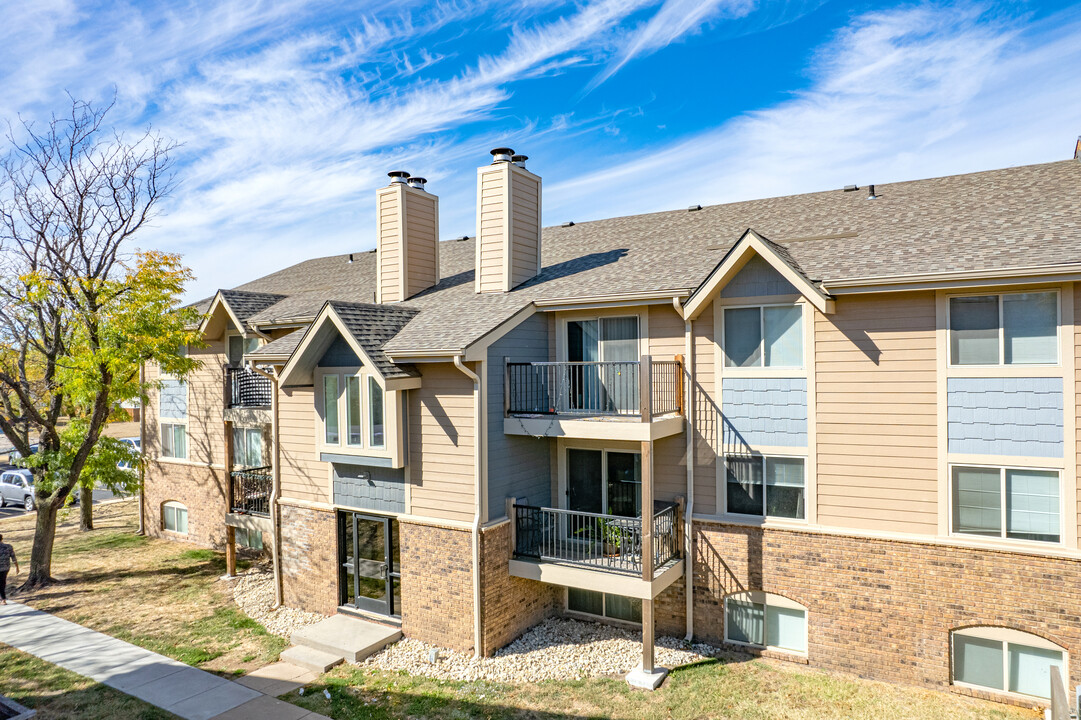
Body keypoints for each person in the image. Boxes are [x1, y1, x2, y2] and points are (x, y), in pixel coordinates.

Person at [0, 533, 18, 605]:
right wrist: (17, 567)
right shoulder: (8, 547)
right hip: (6, 568)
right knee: (2, 582)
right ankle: (3, 599)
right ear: (2, 539)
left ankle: (3, 599)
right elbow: (13, 557)